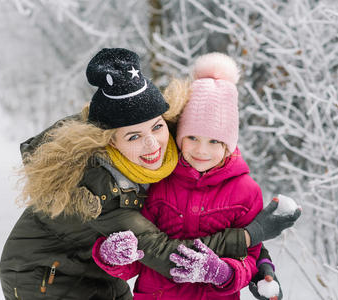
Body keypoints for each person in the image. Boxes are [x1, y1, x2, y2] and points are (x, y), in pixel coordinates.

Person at [0, 48, 299, 300]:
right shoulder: (100, 185)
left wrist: (260, 262)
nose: (152, 144)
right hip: (42, 274)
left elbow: (207, 218)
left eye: (157, 127)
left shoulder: (178, 145)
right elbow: (164, 253)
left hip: (95, 269)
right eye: (133, 137)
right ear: (109, 141)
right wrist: (252, 234)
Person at [92, 53, 301, 299]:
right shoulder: (160, 180)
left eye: (214, 141)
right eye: (192, 138)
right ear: (179, 137)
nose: (202, 150)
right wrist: (111, 256)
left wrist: (223, 273)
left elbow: (250, 258)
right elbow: (140, 255)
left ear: (229, 145)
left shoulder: (246, 191)